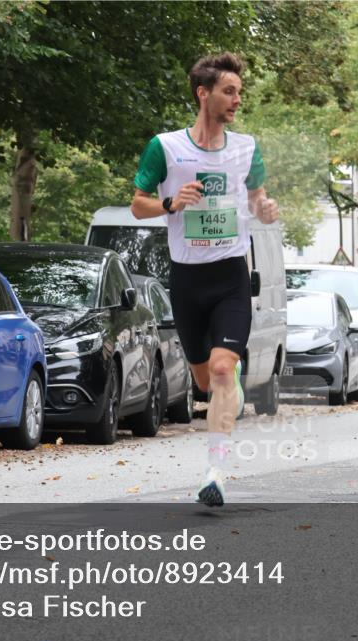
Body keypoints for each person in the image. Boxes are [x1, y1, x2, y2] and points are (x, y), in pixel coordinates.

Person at [130, 52, 279, 507]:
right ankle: (221, 382)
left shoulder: (247, 148)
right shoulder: (166, 147)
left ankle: (215, 471)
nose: (237, 100)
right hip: (188, 280)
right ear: (203, 94)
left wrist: (265, 210)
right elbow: (139, 204)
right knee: (201, 380)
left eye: (239, 92)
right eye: (228, 91)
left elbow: (257, 200)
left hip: (232, 275)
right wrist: (172, 203)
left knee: (219, 369)